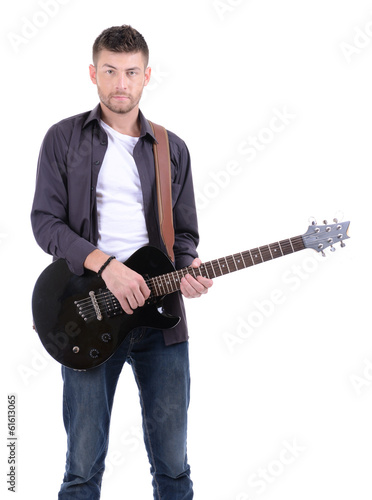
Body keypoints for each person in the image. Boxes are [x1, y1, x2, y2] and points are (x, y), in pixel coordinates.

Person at [31, 25, 213, 500]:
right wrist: (106, 266)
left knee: (174, 468)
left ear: (147, 76)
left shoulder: (172, 148)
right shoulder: (62, 139)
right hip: (87, 313)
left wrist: (188, 266)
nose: (120, 83)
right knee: (82, 469)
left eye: (131, 72)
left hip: (162, 319)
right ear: (93, 73)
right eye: (110, 71)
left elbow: (186, 232)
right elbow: (45, 224)